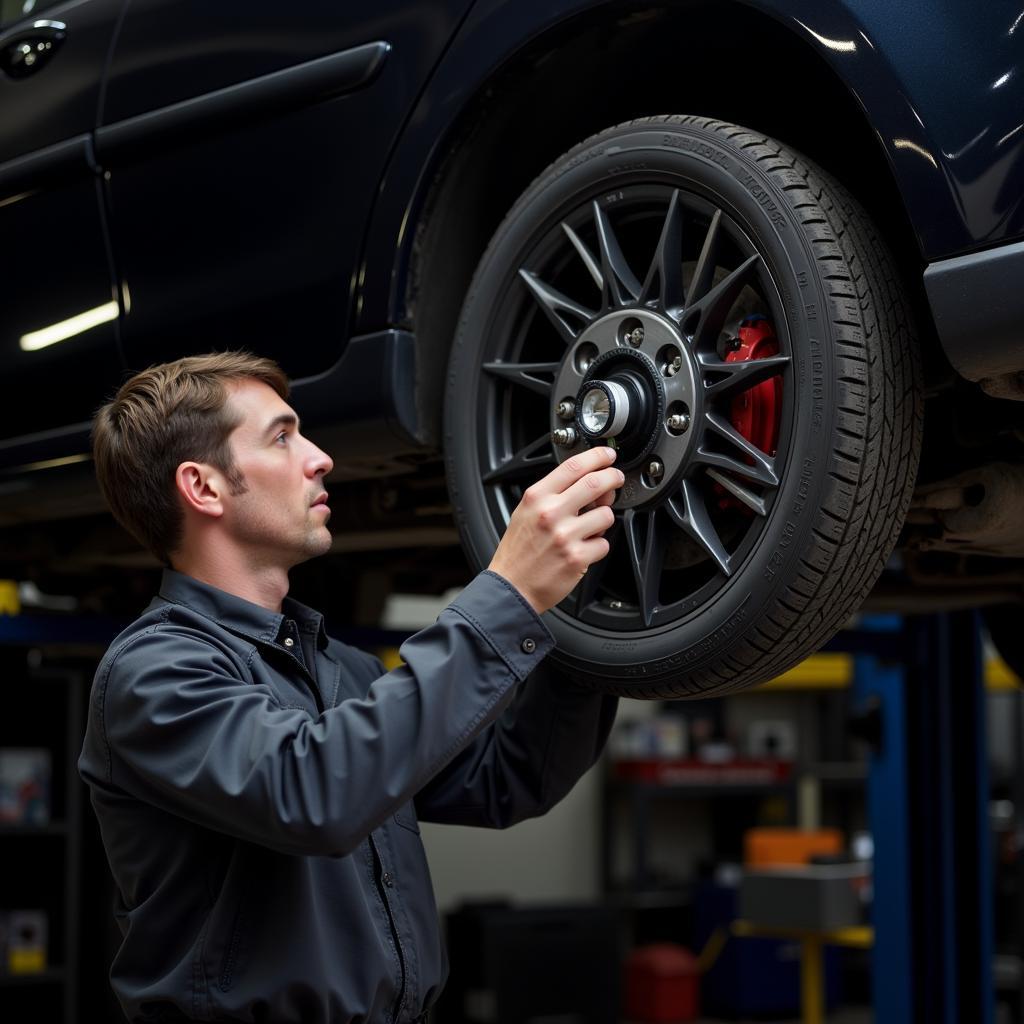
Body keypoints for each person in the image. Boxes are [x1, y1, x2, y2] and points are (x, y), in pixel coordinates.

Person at [78, 351, 624, 1023]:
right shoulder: (154, 673)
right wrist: (505, 596)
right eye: (282, 436)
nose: (321, 458)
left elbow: (508, 775)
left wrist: (587, 604)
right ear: (205, 488)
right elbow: (313, 791)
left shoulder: (343, 671)